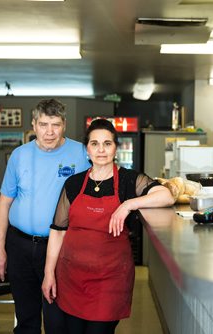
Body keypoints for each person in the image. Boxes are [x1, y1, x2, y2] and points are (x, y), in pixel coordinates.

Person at [42, 118, 175, 334]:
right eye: (94, 144)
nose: (101, 150)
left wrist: (128, 204)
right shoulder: (74, 183)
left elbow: (166, 195)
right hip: (71, 278)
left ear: (116, 148)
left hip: (109, 280)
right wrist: (49, 274)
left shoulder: (129, 181)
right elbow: (58, 231)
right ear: (87, 149)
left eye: (107, 143)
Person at [0, 98, 90, 334]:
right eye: (43, 124)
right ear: (33, 125)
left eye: (55, 124)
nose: (49, 132)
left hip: (61, 248)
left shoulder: (82, 154)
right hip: (20, 245)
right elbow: (4, 203)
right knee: (26, 320)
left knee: (58, 321)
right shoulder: (19, 155)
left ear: (64, 124)